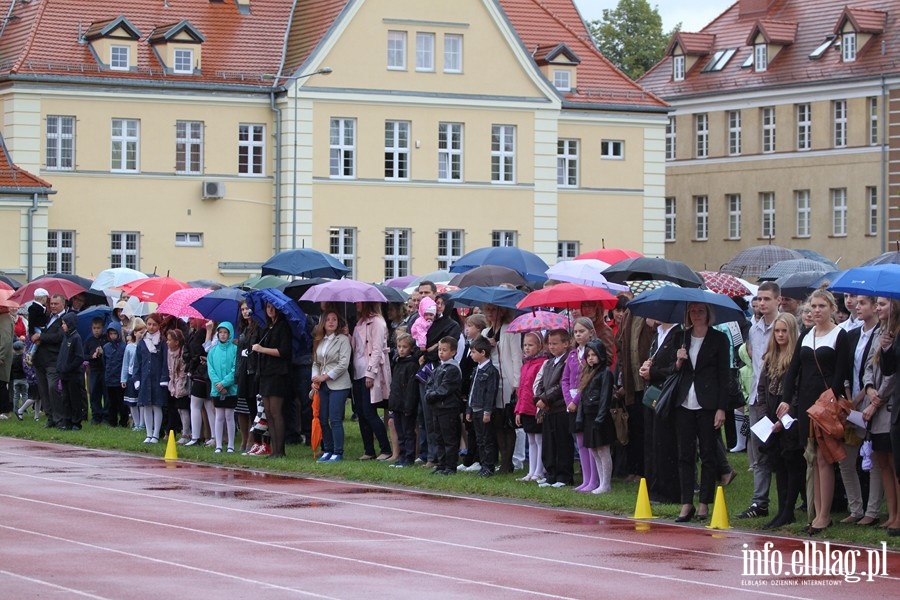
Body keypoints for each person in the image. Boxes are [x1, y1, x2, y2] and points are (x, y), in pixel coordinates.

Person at [780, 287, 849, 535]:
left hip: (826, 404)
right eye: (813, 306)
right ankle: (816, 512)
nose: (816, 311)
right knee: (810, 457)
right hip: (805, 404)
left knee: (823, 458)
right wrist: (787, 400)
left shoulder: (840, 336)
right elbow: (794, 370)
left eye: (822, 306)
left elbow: (841, 374)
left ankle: (824, 514)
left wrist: (828, 399)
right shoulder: (806, 335)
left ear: (832, 308)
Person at [672, 303, 729, 522]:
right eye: (692, 311)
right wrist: (679, 360)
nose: (696, 315)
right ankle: (687, 502)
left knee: (708, 454)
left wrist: (721, 408)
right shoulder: (681, 337)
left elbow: (725, 376)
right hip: (684, 402)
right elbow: (672, 370)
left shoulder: (719, 339)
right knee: (685, 454)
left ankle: (704, 502)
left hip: (708, 403)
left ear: (708, 314)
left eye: (700, 311)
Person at [738, 281, 779, 519]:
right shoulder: (753, 329)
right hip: (756, 398)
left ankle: (792, 501)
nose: (761, 303)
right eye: (759, 299)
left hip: (777, 397)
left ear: (777, 300)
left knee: (784, 452)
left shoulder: (783, 326)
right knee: (760, 451)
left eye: (766, 299)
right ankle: (759, 501)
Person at [757, 313, 802, 529]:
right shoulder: (770, 357)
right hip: (772, 413)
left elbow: (797, 391)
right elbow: (762, 388)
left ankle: (789, 509)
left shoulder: (796, 357)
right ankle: (782, 507)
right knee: (777, 463)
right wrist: (767, 415)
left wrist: (785, 417)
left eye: (784, 331)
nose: (780, 335)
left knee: (791, 461)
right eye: (777, 331)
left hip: (789, 416)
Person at [839, 295, 880, 524]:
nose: (857, 306)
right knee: (846, 458)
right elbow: (846, 368)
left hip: (870, 402)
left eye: (863, 303)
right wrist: (847, 397)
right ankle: (855, 508)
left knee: (872, 457)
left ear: (875, 307)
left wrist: (862, 395)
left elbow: (872, 370)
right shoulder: (852, 334)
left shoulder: (881, 334)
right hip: (850, 403)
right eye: (857, 303)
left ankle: (872, 510)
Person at [862, 297, 900, 530]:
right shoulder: (880, 332)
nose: (877, 308)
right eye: (876, 303)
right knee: (883, 461)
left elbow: (893, 375)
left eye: (882, 304)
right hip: (877, 400)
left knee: (896, 463)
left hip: (888, 404)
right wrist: (868, 388)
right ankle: (892, 514)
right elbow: (872, 364)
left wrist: (877, 400)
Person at [639, 318, 682, 504]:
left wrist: (654, 372)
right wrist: (646, 368)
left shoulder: (678, 334)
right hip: (653, 394)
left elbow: (676, 368)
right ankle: (652, 487)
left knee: (665, 443)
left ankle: (667, 491)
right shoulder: (657, 334)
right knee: (651, 441)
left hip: (667, 394)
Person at [482, 303, 522, 473]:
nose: (491, 313)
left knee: (508, 421)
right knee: (497, 420)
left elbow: (516, 357)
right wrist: (487, 345)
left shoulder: (510, 330)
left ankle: (508, 462)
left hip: (507, 377)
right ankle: (503, 458)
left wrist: (516, 382)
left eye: (494, 309)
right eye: (488, 310)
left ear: (502, 310)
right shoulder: (485, 332)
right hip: (491, 379)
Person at [351, 301, 392, 461]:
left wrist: (370, 373)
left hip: (369, 372)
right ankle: (369, 449)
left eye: (360, 302)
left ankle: (385, 448)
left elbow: (376, 349)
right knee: (361, 412)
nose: (357, 304)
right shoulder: (360, 322)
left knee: (369, 412)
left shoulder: (377, 322)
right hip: (358, 371)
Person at [253, 302, 293, 459]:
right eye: (268, 307)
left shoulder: (283, 327)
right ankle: (274, 449)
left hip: (278, 373)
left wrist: (262, 349)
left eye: (273, 307)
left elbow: (284, 352)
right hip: (265, 372)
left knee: (276, 411)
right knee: (268, 411)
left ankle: (280, 450)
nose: (270, 310)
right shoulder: (266, 327)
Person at [561, 317, 597, 492]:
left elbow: (589, 378)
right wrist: (568, 400)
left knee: (590, 442)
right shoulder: (572, 354)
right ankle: (586, 478)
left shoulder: (592, 353)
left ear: (590, 332)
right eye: (575, 332)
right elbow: (565, 379)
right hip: (572, 402)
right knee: (580, 440)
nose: (578, 335)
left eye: (582, 331)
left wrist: (576, 400)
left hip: (586, 400)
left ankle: (594, 480)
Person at [311, 310, 352, 463]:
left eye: (334, 319)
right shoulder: (320, 340)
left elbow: (343, 364)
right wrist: (315, 378)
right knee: (323, 419)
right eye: (328, 319)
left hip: (339, 384)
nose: (331, 322)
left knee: (334, 418)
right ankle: (327, 449)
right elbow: (316, 362)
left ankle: (338, 451)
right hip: (322, 385)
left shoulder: (342, 339)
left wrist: (325, 376)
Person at [535, 329, 573, 488]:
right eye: (549, 344)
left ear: (566, 344)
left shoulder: (568, 361)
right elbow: (542, 382)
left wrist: (545, 398)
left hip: (560, 407)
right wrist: (539, 397)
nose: (551, 347)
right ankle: (551, 473)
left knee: (562, 443)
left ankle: (564, 476)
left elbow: (560, 385)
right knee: (549, 444)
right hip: (548, 409)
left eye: (555, 343)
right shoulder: (550, 362)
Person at [578, 339, 616, 495]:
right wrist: (580, 416)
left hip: (599, 416)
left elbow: (605, 397)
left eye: (594, 354)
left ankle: (606, 483)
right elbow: (582, 396)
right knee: (593, 449)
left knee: (603, 449)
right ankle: (600, 482)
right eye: (588, 355)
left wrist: (600, 418)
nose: (591, 358)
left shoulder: (605, 372)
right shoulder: (587, 372)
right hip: (588, 414)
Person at [424, 336, 463, 475]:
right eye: (440, 349)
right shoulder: (439, 367)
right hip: (437, 408)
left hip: (448, 408)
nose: (441, 353)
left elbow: (445, 388)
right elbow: (430, 383)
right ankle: (441, 464)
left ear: (453, 352)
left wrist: (432, 395)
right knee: (439, 437)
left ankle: (450, 466)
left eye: (444, 350)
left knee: (449, 439)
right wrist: (429, 393)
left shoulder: (452, 369)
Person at [515, 331, 547, 482]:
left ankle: (539, 471)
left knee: (539, 440)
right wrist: (518, 410)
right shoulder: (525, 364)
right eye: (525, 345)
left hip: (536, 408)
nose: (527, 348)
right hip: (526, 408)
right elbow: (522, 389)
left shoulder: (541, 363)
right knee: (531, 440)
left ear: (540, 346)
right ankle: (531, 470)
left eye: (530, 345)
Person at [467, 335, 500, 477]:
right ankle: (482, 464)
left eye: (474, 352)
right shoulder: (476, 370)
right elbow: (472, 390)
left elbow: (490, 393)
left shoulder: (491, 371)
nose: (472, 355)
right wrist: (468, 409)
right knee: (479, 439)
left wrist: (487, 411)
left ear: (483, 353)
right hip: (474, 407)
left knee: (487, 439)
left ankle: (489, 466)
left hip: (483, 410)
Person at [32, 293, 67, 429]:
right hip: (40, 359)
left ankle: (59, 419)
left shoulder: (65, 319)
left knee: (53, 388)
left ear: (63, 304)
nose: (52, 306)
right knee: (43, 390)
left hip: (54, 359)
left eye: (55, 304)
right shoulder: (47, 317)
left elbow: (58, 336)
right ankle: (50, 418)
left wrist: (41, 336)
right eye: (51, 303)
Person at [135, 314, 169, 444]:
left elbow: (165, 361)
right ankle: (148, 433)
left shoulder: (162, 342)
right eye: (149, 324)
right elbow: (138, 361)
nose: (151, 327)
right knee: (146, 406)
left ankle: (156, 434)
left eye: (154, 324)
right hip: (145, 378)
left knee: (157, 405)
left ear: (159, 326)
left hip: (157, 378)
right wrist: (136, 378)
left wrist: (164, 378)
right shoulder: (142, 342)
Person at [387, 332, 419, 467]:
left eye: (404, 347)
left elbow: (411, 388)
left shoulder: (412, 365)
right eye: (399, 347)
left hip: (406, 405)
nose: (401, 350)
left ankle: (409, 457)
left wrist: (408, 406)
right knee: (400, 432)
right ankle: (402, 455)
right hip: (397, 403)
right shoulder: (397, 363)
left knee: (408, 432)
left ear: (411, 348)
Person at [184, 318, 215, 447]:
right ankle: (208, 436)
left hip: (202, 372)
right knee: (205, 405)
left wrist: (191, 368)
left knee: (199, 404)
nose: (190, 320)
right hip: (201, 371)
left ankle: (200, 436)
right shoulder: (194, 333)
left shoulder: (202, 332)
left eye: (192, 318)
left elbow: (201, 352)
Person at [207, 322, 238, 453]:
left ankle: (231, 444)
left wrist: (225, 383)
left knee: (230, 416)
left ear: (230, 334)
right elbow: (211, 369)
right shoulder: (213, 351)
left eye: (225, 333)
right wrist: (218, 384)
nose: (223, 335)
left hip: (231, 389)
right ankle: (218, 444)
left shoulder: (235, 349)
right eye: (221, 332)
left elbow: (235, 368)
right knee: (219, 416)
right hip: (217, 389)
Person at [235, 299, 259, 453]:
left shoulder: (258, 328)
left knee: (254, 407)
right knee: (243, 406)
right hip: (243, 370)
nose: (245, 312)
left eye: (247, 308)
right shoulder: (243, 329)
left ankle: (253, 439)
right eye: (243, 309)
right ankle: (245, 439)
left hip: (253, 371)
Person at [56, 312, 86, 430]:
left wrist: (68, 367)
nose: (63, 326)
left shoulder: (76, 338)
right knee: (65, 399)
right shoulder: (66, 337)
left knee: (75, 399)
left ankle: (76, 422)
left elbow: (79, 357)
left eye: (64, 323)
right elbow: (62, 355)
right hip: (64, 375)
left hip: (73, 375)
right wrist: (60, 367)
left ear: (70, 324)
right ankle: (67, 421)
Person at [165, 329, 191, 444]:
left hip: (182, 383)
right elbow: (171, 369)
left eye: (170, 340)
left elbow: (183, 371)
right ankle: (184, 431)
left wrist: (180, 383)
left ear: (176, 342)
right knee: (179, 409)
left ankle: (186, 433)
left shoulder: (182, 352)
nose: (167, 342)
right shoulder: (169, 352)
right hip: (174, 383)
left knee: (183, 408)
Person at [120, 319, 145, 431]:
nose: (141, 334)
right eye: (139, 332)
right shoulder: (129, 347)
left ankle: (142, 423)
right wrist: (123, 379)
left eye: (143, 332)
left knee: (142, 402)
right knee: (132, 401)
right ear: (134, 333)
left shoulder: (145, 346)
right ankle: (136, 422)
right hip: (131, 376)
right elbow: (125, 363)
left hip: (142, 376)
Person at [103, 322, 128, 427]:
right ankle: (112, 421)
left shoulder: (124, 347)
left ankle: (123, 421)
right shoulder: (106, 347)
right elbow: (104, 362)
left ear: (118, 334)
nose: (113, 336)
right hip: (109, 378)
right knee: (111, 402)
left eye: (114, 333)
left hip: (119, 379)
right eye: (111, 334)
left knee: (121, 402)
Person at [84, 317, 107, 425]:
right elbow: (84, 355)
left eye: (98, 328)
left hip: (104, 369)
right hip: (93, 370)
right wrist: (92, 356)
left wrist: (103, 352)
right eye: (94, 328)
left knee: (106, 393)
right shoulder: (89, 341)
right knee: (94, 393)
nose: (96, 330)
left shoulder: (106, 339)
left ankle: (106, 416)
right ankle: (95, 415)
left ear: (102, 328)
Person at [0, 307, 14, 420]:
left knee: (1, 383)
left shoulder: (4, 319)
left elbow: (5, 339)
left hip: (2, 357)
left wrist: (1, 355)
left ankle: (5, 410)